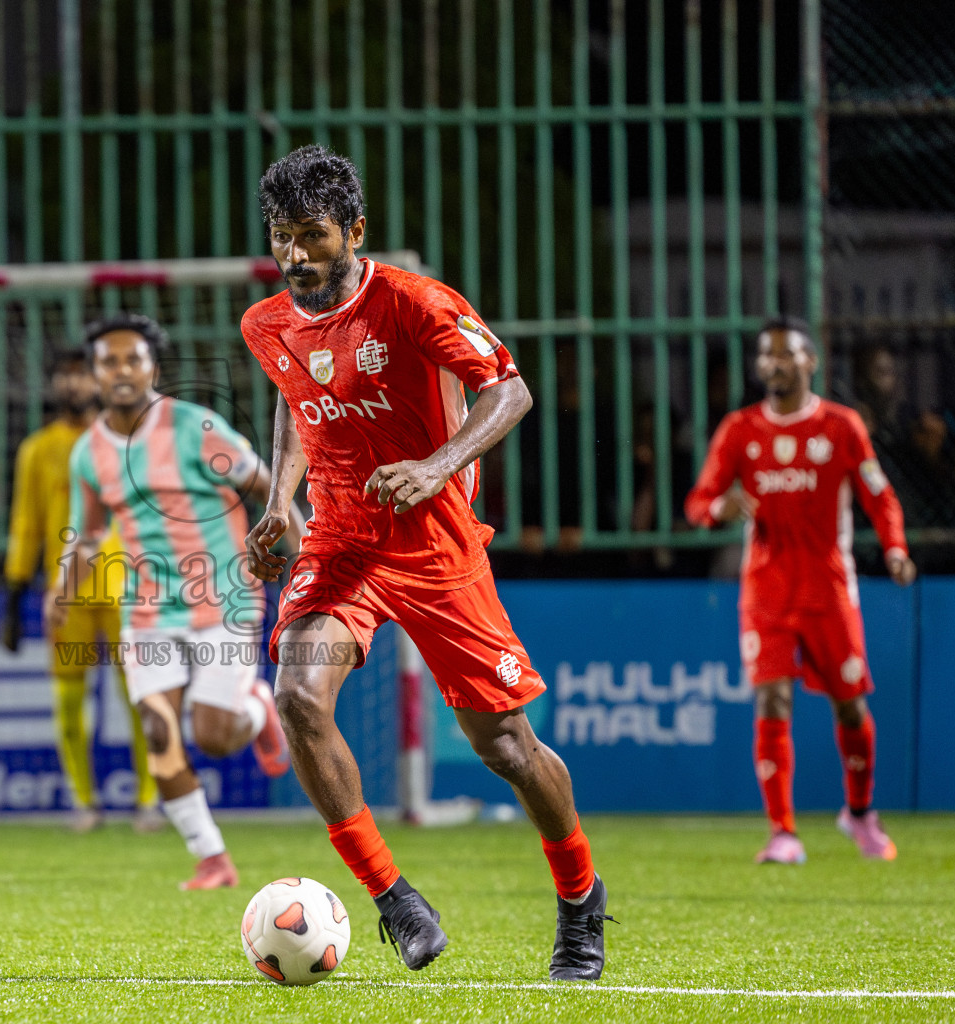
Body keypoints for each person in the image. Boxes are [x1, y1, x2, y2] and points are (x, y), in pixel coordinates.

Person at [241, 145, 610, 981]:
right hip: (341, 541)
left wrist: (438, 464)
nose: (295, 255)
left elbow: (508, 388)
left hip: (435, 542)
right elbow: (296, 395)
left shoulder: (414, 302)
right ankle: (394, 901)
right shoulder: (265, 323)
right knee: (297, 694)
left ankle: (580, 899)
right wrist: (278, 502)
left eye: (312, 235)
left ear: (355, 231)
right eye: (281, 236)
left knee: (507, 746)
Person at [46, 313, 295, 890]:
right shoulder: (89, 453)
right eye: (109, 361)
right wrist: (61, 594)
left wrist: (310, 561)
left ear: (153, 367)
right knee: (159, 733)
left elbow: (267, 488)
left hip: (223, 598)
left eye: (133, 359)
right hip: (147, 611)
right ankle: (212, 858)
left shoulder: (194, 426)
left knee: (212, 733)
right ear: (92, 375)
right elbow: (85, 535)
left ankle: (258, 708)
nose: (122, 370)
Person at [685, 317, 915, 865]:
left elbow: (879, 496)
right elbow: (698, 502)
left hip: (830, 589)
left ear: (810, 361)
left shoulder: (841, 426)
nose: (773, 364)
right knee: (772, 697)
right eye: (766, 356)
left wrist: (896, 548)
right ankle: (783, 832)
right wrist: (721, 508)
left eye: (785, 354)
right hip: (765, 591)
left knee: (851, 708)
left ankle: (858, 814)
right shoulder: (740, 430)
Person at [3, 351, 161, 833]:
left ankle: (148, 800)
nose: (73, 385)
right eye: (64, 375)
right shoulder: (37, 449)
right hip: (64, 594)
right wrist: (13, 595)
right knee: (70, 702)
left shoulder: (124, 442)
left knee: (139, 697)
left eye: (80, 375)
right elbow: (26, 523)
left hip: (125, 588)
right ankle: (84, 802)